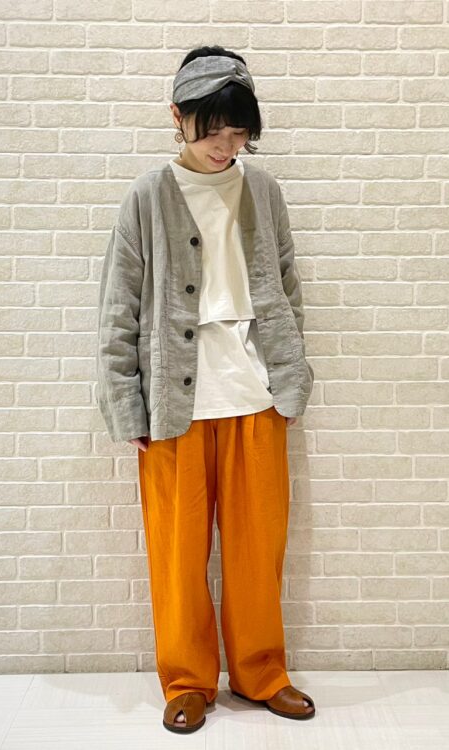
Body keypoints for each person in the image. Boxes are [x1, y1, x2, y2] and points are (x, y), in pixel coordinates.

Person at [96, 45, 316, 734]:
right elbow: (118, 309)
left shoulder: (264, 191)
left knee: (257, 553)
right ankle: (188, 681)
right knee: (178, 555)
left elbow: (287, 285)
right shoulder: (147, 196)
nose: (225, 144)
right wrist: (125, 402)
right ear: (177, 117)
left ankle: (262, 673)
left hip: (256, 398)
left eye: (239, 130)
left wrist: (292, 375)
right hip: (174, 404)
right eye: (211, 128)